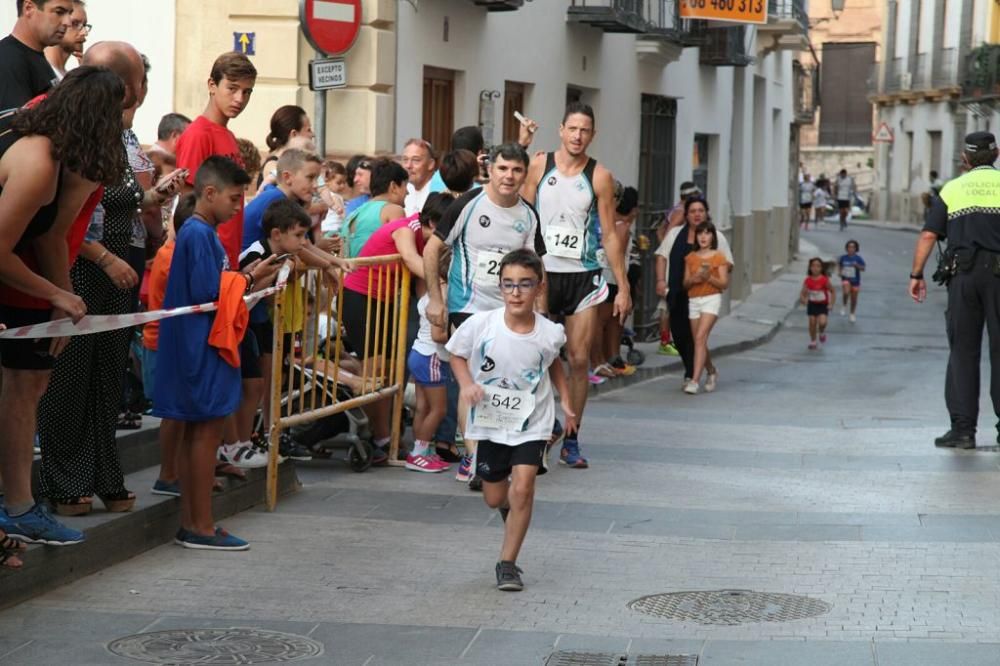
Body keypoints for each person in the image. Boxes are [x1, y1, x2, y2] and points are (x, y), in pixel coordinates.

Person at [37, 44, 187, 517]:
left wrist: (153, 196)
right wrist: (102, 259)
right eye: (141, 79)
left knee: (107, 375)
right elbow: (57, 219)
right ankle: (66, 480)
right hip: (83, 264)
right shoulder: (79, 132)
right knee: (71, 375)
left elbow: (123, 198)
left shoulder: (125, 137)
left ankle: (104, 473)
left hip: (121, 263)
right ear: (127, 86)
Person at [0, 66, 126, 547]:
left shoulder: (30, 123)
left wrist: (57, 297)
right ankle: (18, 507)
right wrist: (57, 294)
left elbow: (46, 237)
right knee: (22, 388)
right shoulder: (37, 165)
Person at [153, 156, 281, 550]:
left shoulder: (199, 233)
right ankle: (200, 525)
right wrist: (250, 276)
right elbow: (209, 293)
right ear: (209, 193)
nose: (239, 206)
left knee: (201, 436)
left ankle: (197, 522)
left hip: (197, 346)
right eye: (234, 197)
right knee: (204, 436)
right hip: (199, 348)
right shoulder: (198, 234)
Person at [447, 249, 574, 592]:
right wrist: (468, 384)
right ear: (500, 288)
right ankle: (509, 509)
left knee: (524, 487)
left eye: (524, 284)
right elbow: (456, 355)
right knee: (494, 497)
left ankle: (508, 564)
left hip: (532, 421)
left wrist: (566, 401)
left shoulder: (550, 332)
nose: (516, 292)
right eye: (509, 285)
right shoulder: (481, 325)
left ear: (539, 288)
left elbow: (552, 362)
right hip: (490, 422)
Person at [423, 143, 546, 484]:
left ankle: (493, 450)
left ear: (524, 174)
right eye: (503, 169)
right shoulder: (469, 203)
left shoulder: (527, 215)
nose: (509, 176)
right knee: (473, 380)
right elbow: (433, 249)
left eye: (516, 170)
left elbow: (538, 267)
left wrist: (541, 315)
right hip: (469, 307)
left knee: (502, 382)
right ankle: (476, 458)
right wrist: (436, 300)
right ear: (490, 169)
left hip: (510, 311)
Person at [521, 102, 632, 469]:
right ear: (561, 129)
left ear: (592, 135)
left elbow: (612, 235)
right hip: (543, 275)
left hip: (584, 275)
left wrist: (624, 285)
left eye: (585, 130)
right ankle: (539, 428)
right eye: (572, 128)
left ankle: (571, 436)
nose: (578, 135)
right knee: (538, 356)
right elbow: (520, 212)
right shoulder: (539, 165)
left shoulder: (600, 175)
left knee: (580, 358)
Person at [237, 148, 351, 463]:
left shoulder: (284, 201)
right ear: (287, 176)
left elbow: (300, 246)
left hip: (266, 301)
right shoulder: (272, 202)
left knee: (268, 375)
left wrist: (327, 261)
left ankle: (263, 436)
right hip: (254, 299)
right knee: (259, 378)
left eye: (318, 178)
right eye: (311, 177)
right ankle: (251, 439)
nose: (316, 185)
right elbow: (297, 248)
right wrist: (328, 262)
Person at [341, 192, 452, 464]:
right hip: (361, 297)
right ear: (433, 223)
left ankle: (386, 435)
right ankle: (379, 436)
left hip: (384, 300)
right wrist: (443, 280)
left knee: (388, 371)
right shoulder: (406, 227)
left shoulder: (425, 236)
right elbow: (413, 260)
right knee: (375, 368)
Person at [909, 131, 1000, 450]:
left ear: (965, 158)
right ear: (997, 153)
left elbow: (928, 236)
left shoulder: (953, 189)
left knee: (963, 351)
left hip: (963, 276)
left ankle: (963, 430)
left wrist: (916, 274)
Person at [174, 51, 257, 269]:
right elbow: (188, 203)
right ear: (212, 85)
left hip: (226, 258)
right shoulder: (199, 134)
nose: (240, 99)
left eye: (247, 92)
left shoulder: (228, 135)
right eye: (232, 88)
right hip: (208, 258)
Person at [145, 193, 197, 497]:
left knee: (180, 414)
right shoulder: (172, 255)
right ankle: (167, 474)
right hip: (165, 343)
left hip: (175, 341)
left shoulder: (176, 250)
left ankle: (178, 471)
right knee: (174, 414)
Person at [655, 197, 734, 388]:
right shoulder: (674, 234)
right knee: (681, 336)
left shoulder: (717, 237)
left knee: (697, 337)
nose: (697, 214)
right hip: (678, 292)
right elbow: (661, 256)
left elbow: (728, 264)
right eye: (692, 211)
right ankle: (710, 369)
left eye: (701, 210)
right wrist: (660, 281)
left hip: (705, 295)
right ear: (686, 215)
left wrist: (711, 270)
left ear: (706, 213)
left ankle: (692, 375)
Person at [406, 241, 453, 473]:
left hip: (419, 353)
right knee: (439, 409)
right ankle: (418, 453)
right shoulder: (444, 294)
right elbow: (438, 334)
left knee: (423, 408)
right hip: (432, 356)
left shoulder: (431, 290)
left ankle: (421, 450)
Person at [592, 185, 638, 379]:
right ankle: (598, 362)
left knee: (608, 321)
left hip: (605, 277)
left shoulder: (605, 222)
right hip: (609, 278)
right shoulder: (619, 227)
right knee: (602, 321)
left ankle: (607, 360)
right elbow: (616, 254)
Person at [680, 221, 730, 394]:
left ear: (712, 237)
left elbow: (724, 284)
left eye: (707, 233)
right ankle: (711, 371)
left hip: (712, 299)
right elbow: (685, 283)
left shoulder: (719, 257)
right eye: (700, 233)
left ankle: (694, 381)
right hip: (694, 299)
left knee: (700, 337)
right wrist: (694, 279)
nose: (703, 236)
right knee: (698, 341)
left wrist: (709, 277)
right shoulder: (691, 258)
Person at [655, 182, 700, 356]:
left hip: (669, 258)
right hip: (672, 262)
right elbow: (667, 236)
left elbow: (660, 231)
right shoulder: (681, 212)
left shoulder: (675, 209)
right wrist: (670, 251)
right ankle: (665, 341)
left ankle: (669, 339)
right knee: (668, 301)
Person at [0, 0, 71, 110]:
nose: (68, 22)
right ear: (29, 8)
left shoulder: (35, 55)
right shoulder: (8, 60)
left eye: (69, 14)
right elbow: (13, 124)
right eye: (59, 12)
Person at [341, 158, 407, 258]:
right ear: (393, 187)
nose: (407, 192)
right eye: (405, 186)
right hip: (376, 273)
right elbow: (405, 252)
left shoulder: (353, 214)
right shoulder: (394, 210)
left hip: (349, 273)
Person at [255, 105, 314, 192]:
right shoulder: (273, 165)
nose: (313, 135)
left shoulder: (291, 162)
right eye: (308, 130)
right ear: (294, 134)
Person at [42, 0, 87, 80]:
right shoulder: (39, 71)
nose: (84, 32)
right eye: (75, 24)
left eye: (84, 25)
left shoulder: (71, 78)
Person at [800, 257, 834, 351]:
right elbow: (803, 293)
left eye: (818, 266)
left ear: (821, 268)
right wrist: (803, 299)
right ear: (810, 268)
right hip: (812, 304)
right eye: (813, 266)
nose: (815, 268)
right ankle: (813, 341)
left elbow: (832, 291)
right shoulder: (808, 280)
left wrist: (831, 303)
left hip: (823, 305)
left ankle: (822, 332)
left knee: (822, 323)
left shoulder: (824, 280)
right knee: (812, 322)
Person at [402, 138, 442, 216]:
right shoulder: (402, 190)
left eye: (416, 160)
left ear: (431, 164)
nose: (408, 165)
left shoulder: (439, 191)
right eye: (405, 160)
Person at [837, 239, 866, 322]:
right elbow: (839, 265)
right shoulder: (843, 257)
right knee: (846, 292)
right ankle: (844, 305)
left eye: (853, 247)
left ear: (856, 249)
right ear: (846, 248)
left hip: (855, 280)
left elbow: (863, 268)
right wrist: (839, 272)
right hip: (846, 278)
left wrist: (857, 265)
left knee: (854, 298)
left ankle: (852, 313)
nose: (851, 249)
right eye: (849, 247)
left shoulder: (858, 258)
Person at [319, 160, 347, 236]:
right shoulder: (334, 196)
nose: (342, 186)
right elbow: (342, 213)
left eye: (344, 182)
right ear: (327, 182)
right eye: (339, 183)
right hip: (333, 228)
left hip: (326, 227)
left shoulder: (327, 196)